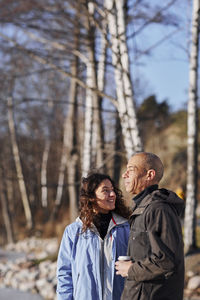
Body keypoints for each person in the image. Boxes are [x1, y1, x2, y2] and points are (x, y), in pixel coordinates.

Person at [115, 152, 185, 300]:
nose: (124, 175)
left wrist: (131, 269)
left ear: (149, 175)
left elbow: (166, 261)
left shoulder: (159, 209)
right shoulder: (143, 207)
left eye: (131, 170)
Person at [57, 173, 131, 300]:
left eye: (112, 190)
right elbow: (64, 275)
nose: (112, 194)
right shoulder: (73, 232)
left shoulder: (126, 228)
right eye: (105, 191)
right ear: (91, 197)